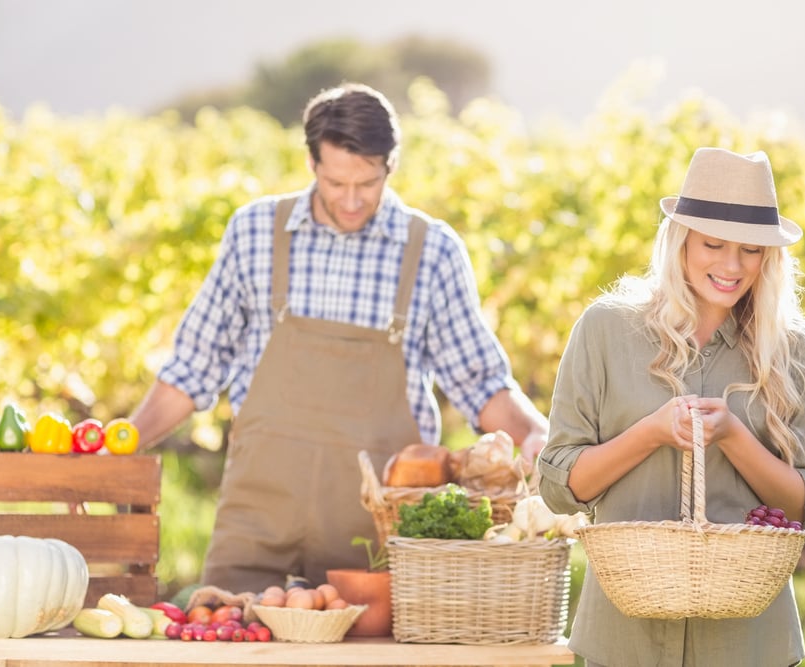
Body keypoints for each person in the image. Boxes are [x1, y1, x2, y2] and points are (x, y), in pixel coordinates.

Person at [129, 82, 549, 594]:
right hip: (257, 525)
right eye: (336, 183)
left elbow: (481, 382)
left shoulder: (432, 252)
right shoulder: (256, 232)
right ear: (311, 164)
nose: (351, 201)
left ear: (390, 167)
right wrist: (121, 446)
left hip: (376, 537)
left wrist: (535, 435)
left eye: (367, 183)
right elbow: (192, 368)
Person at [537, 147, 805, 667]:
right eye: (714, 244)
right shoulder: (606, 329)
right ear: (680, 241)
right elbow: (559, 489)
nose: (731, 265)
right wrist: (651, 432)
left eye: (750, 249)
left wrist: (734, 437)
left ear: (770, 256)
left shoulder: (797, 347)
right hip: (622, 640)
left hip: (749, 645)